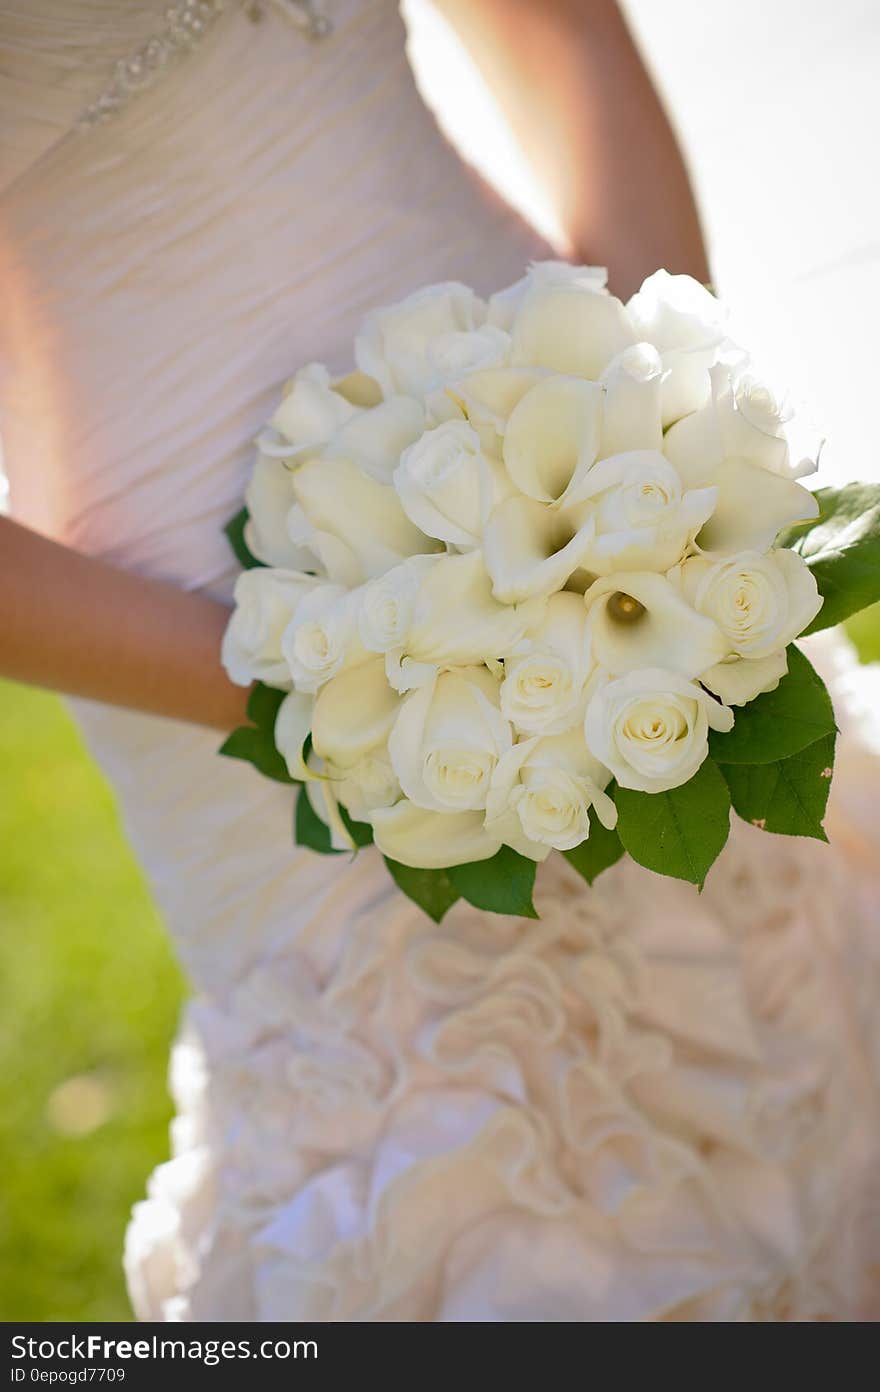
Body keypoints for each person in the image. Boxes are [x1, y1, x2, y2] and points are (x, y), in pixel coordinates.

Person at [1, 0, 878, 1321]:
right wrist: (325, 684)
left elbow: (563, 31)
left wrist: (652, 438)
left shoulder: (627, 450)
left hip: (546, 392)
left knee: (777, 971)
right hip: (202, 612)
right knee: (466, 1141)